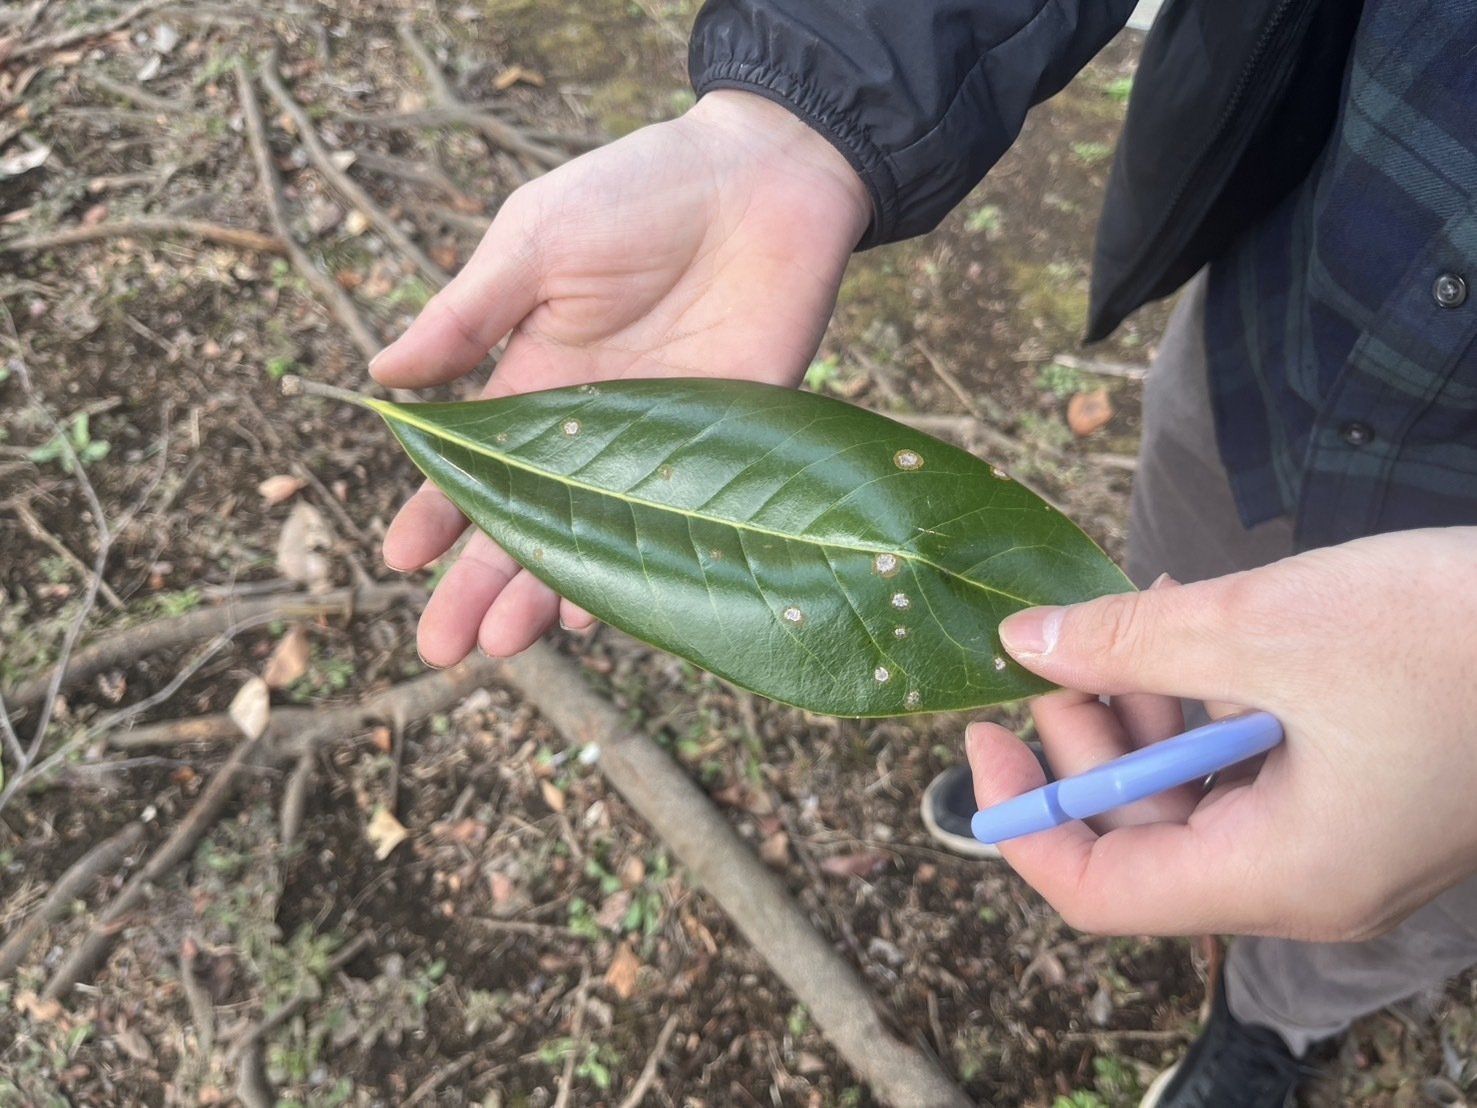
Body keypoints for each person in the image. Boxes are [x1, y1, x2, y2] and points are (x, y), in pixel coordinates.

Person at [368, 1, 1477, 1104]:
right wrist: (802, 109)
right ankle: (1115, 759)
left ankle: (1280, 1016)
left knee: (1415, 879)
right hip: (1290, 324)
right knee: (1151, 618)